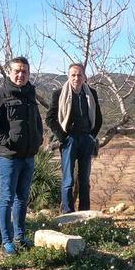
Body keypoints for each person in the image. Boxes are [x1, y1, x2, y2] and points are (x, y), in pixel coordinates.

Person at [0, 56, 43, 254]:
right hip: (9, 157)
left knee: (22, 198)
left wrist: (39, 138)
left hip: (28, 156)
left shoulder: (30, 94)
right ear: (9, 72)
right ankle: (6, 241)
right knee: (7, 198)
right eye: (17, 71)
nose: (21, 74)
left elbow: (37, 121)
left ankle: (20, 237)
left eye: (24, 71)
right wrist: (7, 141)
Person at [47, 62, 102, 213]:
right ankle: (67, 214)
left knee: (84, 180)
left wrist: (91, 137)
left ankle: (85, 214)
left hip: (86, 139)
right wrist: (63, 137)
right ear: (68, 76)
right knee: (68, 181)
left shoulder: (91, 93)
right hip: (69, 140)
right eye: (73, 75)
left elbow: (98, 118)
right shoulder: (58, 94)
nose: (76, 78)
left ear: (85, 77)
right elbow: (50, 118)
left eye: (79, 75)